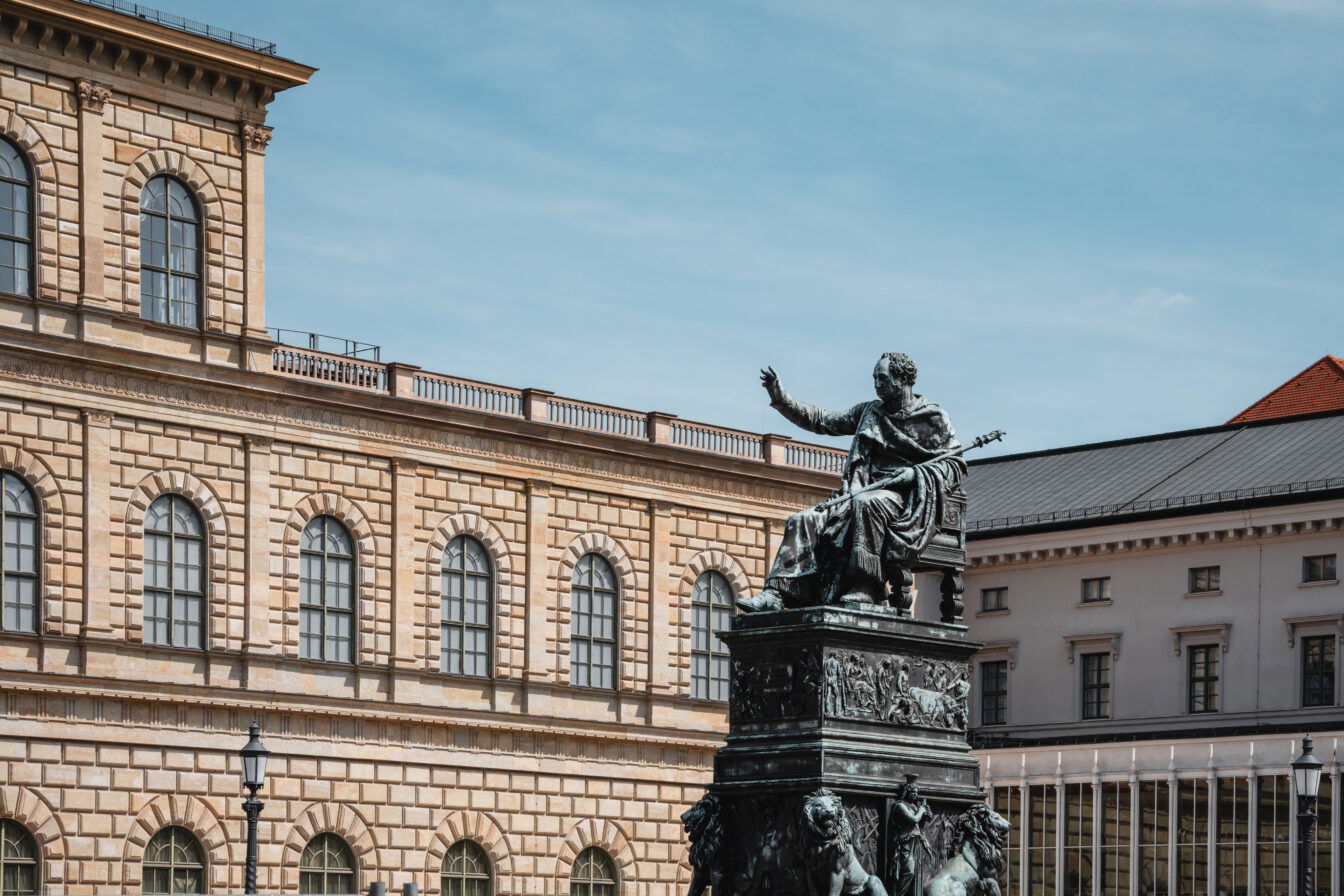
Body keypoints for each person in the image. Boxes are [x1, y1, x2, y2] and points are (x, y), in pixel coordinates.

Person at [737, 353, 965, 612]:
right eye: (874, 379)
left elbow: (953, 466)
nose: (877, 385)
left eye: (882, 378)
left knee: (865, 504)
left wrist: (913, 475)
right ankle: (779, 594)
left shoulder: (932, 417)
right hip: (862, 490)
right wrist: (782, 398)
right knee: (804, 519)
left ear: (903, 380)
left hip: (905, 499)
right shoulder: (870, 411)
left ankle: (866, 585)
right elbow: (822, 420)